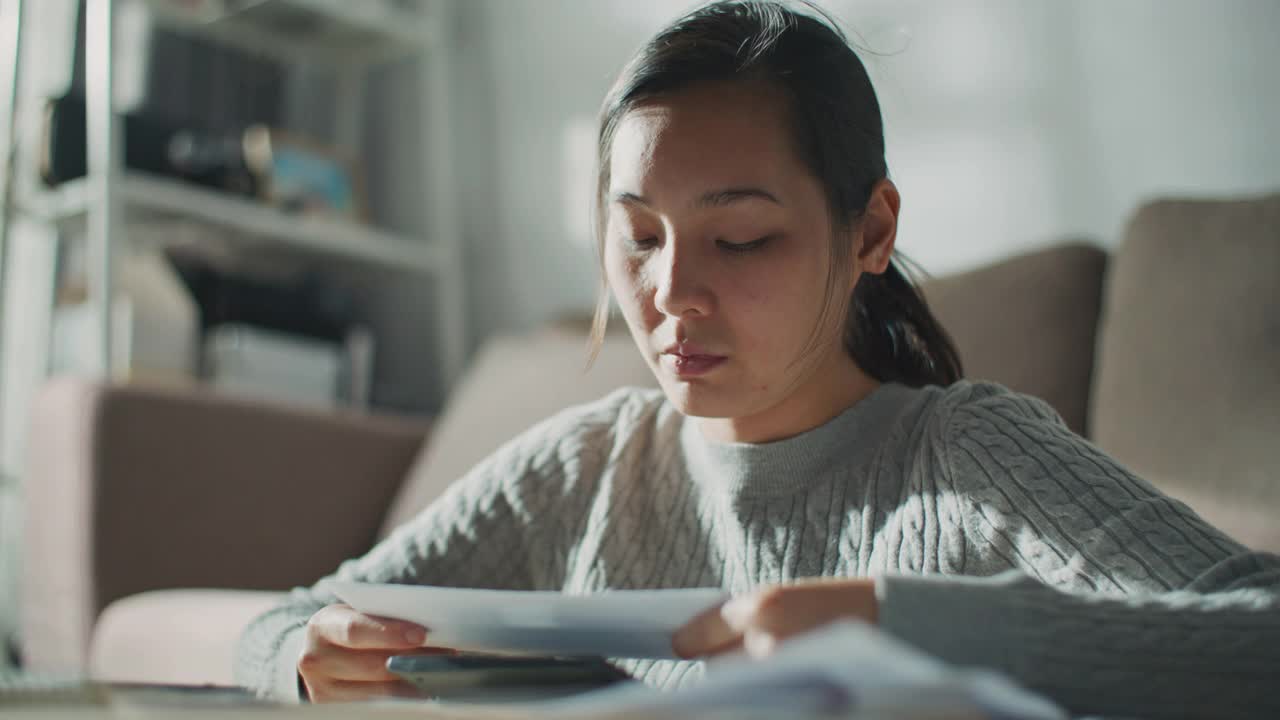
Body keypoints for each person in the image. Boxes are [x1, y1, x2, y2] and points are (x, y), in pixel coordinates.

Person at [234, 2, 1280, 717]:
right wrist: (305, 659)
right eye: (638, 236)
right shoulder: (583, 468)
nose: (671, 293)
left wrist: (896, 620)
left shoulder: (963, 457)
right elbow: (289, 618)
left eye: (739, 240)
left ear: (867, 233)